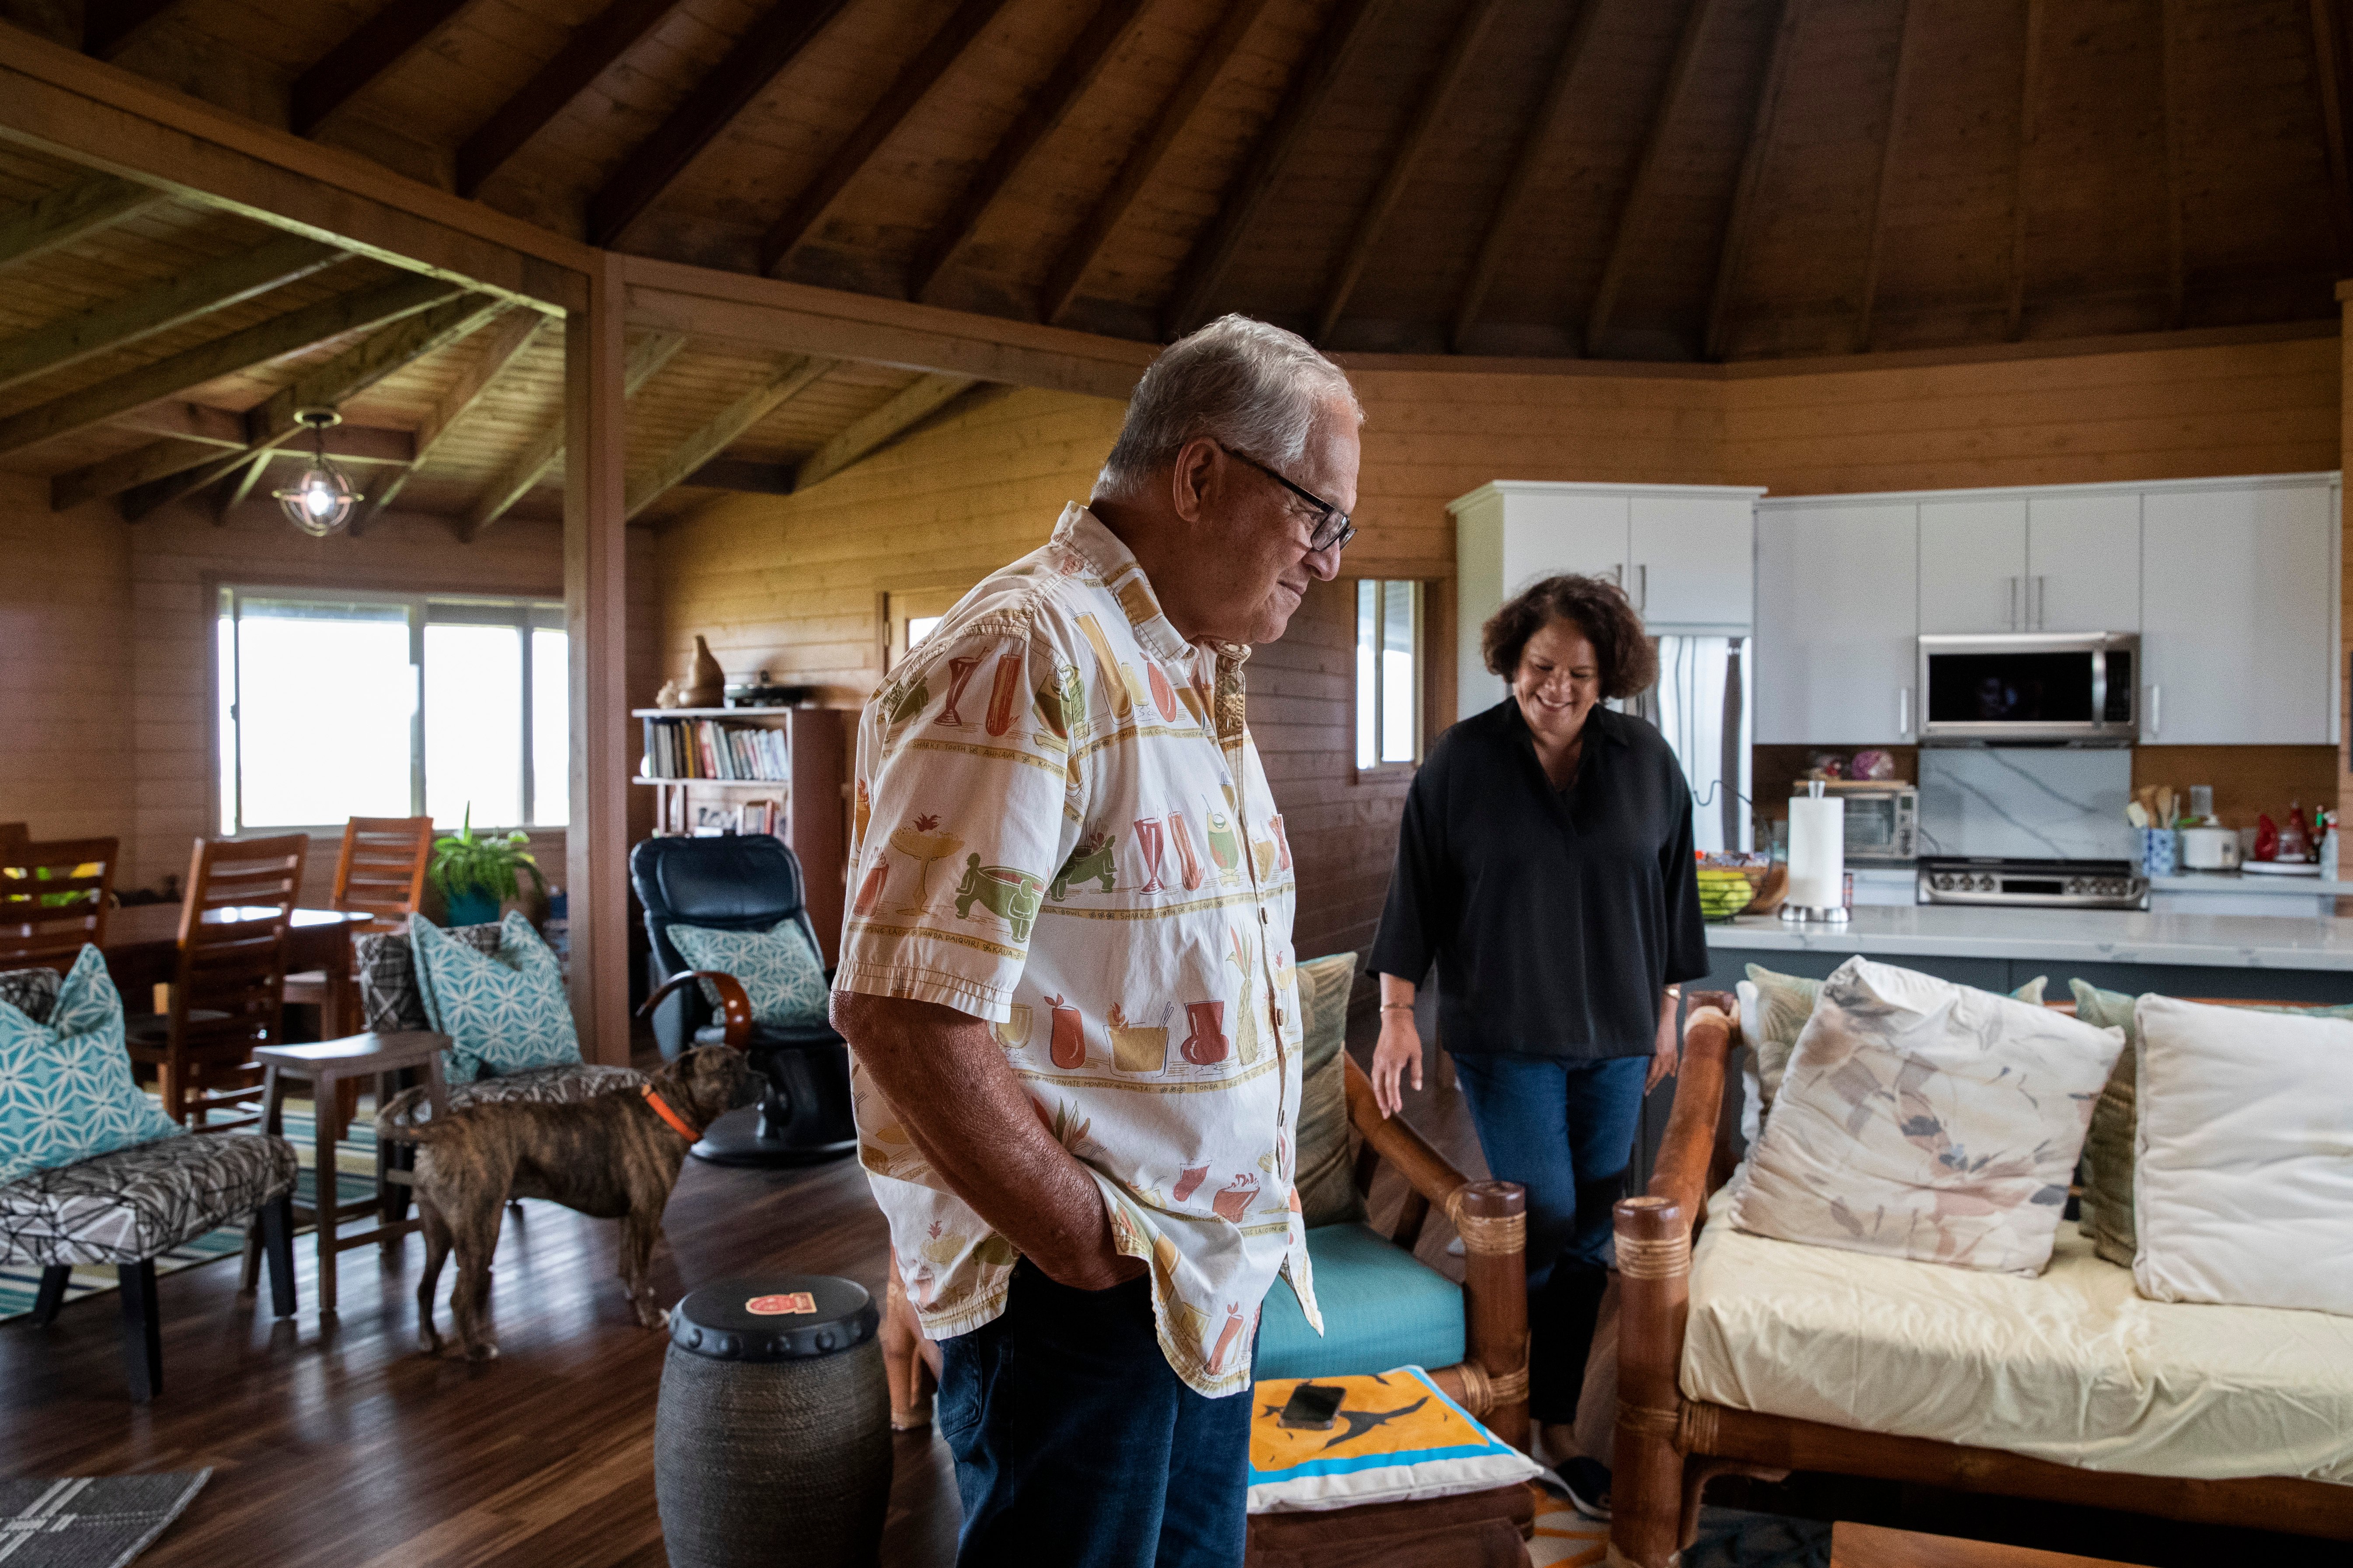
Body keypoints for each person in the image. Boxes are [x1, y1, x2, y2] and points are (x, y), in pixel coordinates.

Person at [831, 315, 1361, 1568]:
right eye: (1317, 517)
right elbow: (904, 1007)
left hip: (1187, 1286)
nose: (1329, 560)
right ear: (1199, 476)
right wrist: (1085, 1244)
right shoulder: (1030, 649)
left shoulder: (1176, 664)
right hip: (1084, 1299)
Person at [1363, 573, 1707, 1520]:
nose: (1557, 688)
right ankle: (1498, 1399)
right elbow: (1417, 890)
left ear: (1611, 678)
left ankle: (1549, 1422)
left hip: (1618, 1034)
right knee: (1545, 1213)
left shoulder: (1647, 759)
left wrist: (1668, 1007)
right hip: (1503, 1029)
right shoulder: (1461, 760)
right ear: (1513, 659)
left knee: (1595, 1225)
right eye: (1541, 667)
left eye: (1581, 674)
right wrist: (1398, 1011)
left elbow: (1672, 890)